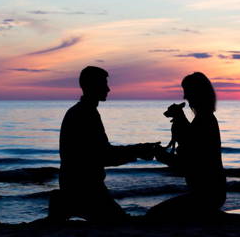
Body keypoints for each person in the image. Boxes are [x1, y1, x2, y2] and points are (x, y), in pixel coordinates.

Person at [48, 66, 159, 222]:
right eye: (103, 84)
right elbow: (103, 156)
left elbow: (102, 153)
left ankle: (66, 201)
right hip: (87, 188)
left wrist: (137, 150)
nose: (108, 89)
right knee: (121, 222)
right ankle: (68, 202)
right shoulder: (86, 114)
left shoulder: (82, 111)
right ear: (91, 86)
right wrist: (137, 151)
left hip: (79, 183)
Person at [146, 72, 226, 220]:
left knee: (153, 215)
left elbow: (186, 163)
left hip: (206, 197)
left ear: (197, 93)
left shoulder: (204, 121)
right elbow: (190, 149)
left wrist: (160, 155)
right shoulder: (205, 120)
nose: (185, 97)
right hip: (210, 195)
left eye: (187, 92)